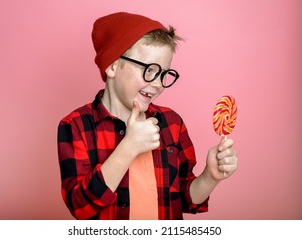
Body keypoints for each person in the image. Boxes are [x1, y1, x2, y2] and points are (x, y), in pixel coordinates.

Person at [57, 12, 238, 220]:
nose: (158, 84)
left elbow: (185, 199)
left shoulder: (172, 123)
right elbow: (81, 207)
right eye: (149, 70)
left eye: (163, 74)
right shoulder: (76, 126)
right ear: (112, 65)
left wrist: (209, 177)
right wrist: (129, 147)